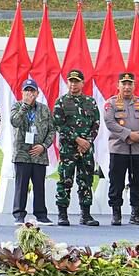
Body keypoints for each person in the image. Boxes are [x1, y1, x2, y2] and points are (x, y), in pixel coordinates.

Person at [103, 72, 139, 226]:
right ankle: (116, 213)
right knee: (116, 182)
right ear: (118, 85)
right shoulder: (110, 103)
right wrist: (128, 135)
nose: (126, 87)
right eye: (123, 84)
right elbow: (110, 122)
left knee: (138, 181)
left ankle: (136, 213)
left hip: (138, 149)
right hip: (119, 149)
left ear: (134, 85)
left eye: (129, 84)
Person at [52, 69, 101, 226]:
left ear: (82, 83)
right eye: (71, 81)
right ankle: (62, 214)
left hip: (86, 149)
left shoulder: (90, 102)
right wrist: (78, 140)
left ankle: (85, 214)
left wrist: (87, 142)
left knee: (86, 180)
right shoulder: (61, 102)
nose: (73, 84)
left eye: (76, 81)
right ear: (67, 83)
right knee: (65, 180)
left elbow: (96, 124)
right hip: (68, 148)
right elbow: (59, 124)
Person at [11, 79, 54, 224]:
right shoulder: (17, 106)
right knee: (21, 186)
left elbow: (51, 130)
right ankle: (19, 214)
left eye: (32, 91)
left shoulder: (44, 109)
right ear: (22, 92)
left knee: (39, 185)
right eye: (27, 90)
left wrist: (43, 146)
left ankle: (41, 214)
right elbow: (15, 122)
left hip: (39, 154)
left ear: (37, 93)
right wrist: (25, 106)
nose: (29, 93)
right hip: (22, 153)